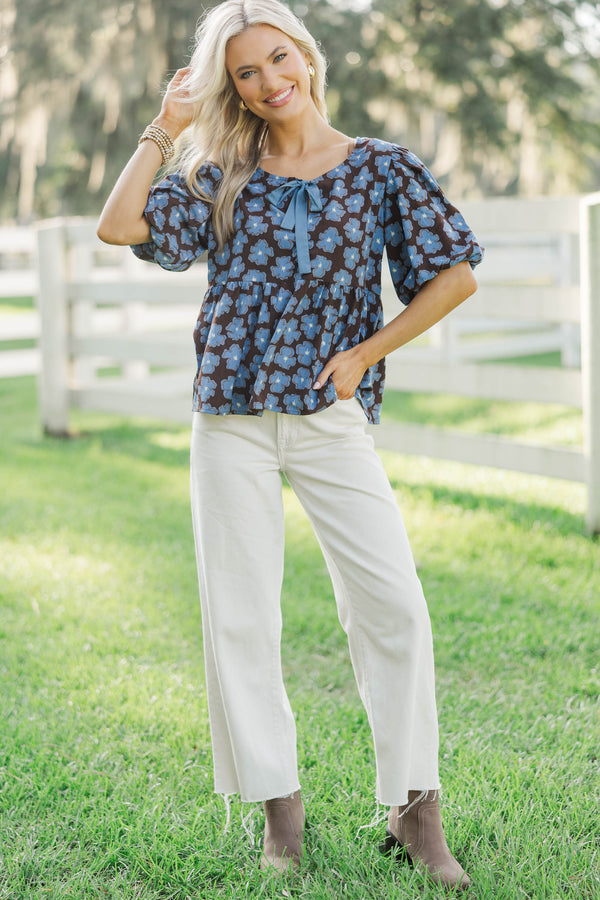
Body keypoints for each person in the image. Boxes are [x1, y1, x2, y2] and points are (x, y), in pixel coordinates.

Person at [97, 0, 483, 889]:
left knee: (393, 605)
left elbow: (453, 273)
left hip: (329, 416)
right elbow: (120, 228)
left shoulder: (383, 169)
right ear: (229, 85)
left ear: (306, 57)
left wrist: (363, 355)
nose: (269, 82)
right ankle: (281, 816)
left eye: (278, 60)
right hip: (228, 416)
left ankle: (415, 810)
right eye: (245, 72)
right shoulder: (220, 171)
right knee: (241, 617)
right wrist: (169, 125)